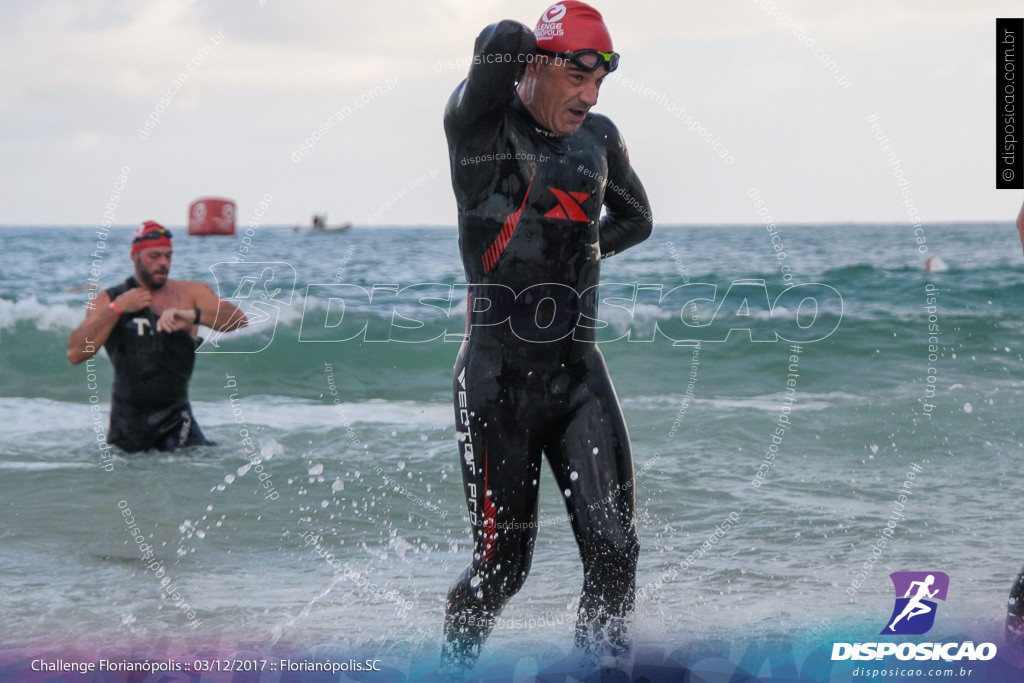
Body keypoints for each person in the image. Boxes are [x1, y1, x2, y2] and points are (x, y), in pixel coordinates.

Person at [441, 1, 653, 670]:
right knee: (503, 570)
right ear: (534, 66)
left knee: (616, 554)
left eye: (601, 82)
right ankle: (450, 668)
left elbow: (636, 218)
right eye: (577, 77)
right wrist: (545, 34)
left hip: (579, 379)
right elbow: (498, 42)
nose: (589, 97)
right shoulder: (480, 133)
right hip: (498, 383)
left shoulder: (600, 140)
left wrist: (569, 252)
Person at [67, 221, 247, 452]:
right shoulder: (108, 299)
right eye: (155, 256)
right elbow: (76, 352)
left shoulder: (190, 293)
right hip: (127, 430)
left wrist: (193, 315)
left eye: (168, 256)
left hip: (179, 425)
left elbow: (238, 319)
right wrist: (117, 309)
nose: (163, 263)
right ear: (135, 256)